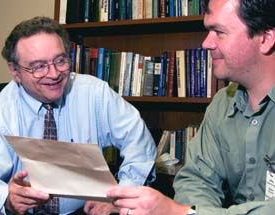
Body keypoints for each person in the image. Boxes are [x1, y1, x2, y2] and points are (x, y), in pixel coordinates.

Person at [107, 0, 275, 214]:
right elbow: (195, 180)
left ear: (266, 39)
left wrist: (184, 213)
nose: (206, 43)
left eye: (219, 32)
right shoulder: (222, 103)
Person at [0, 16, 157, 215]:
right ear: (15, 71)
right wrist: (7, 199)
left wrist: (122, 197)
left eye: (60, 60)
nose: (54, 74)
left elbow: (139, 143)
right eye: (38, 66)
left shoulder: (94, 93)